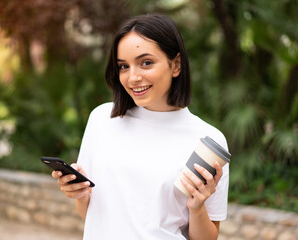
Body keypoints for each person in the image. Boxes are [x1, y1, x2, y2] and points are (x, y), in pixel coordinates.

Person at [52, 14, 229, 240]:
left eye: (146, 62)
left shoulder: (206, 140)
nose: (133, 77)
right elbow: (91, 215)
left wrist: (197, 207)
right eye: (123, 66)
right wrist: (80, 195)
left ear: (175, 65)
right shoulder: (101, 120)